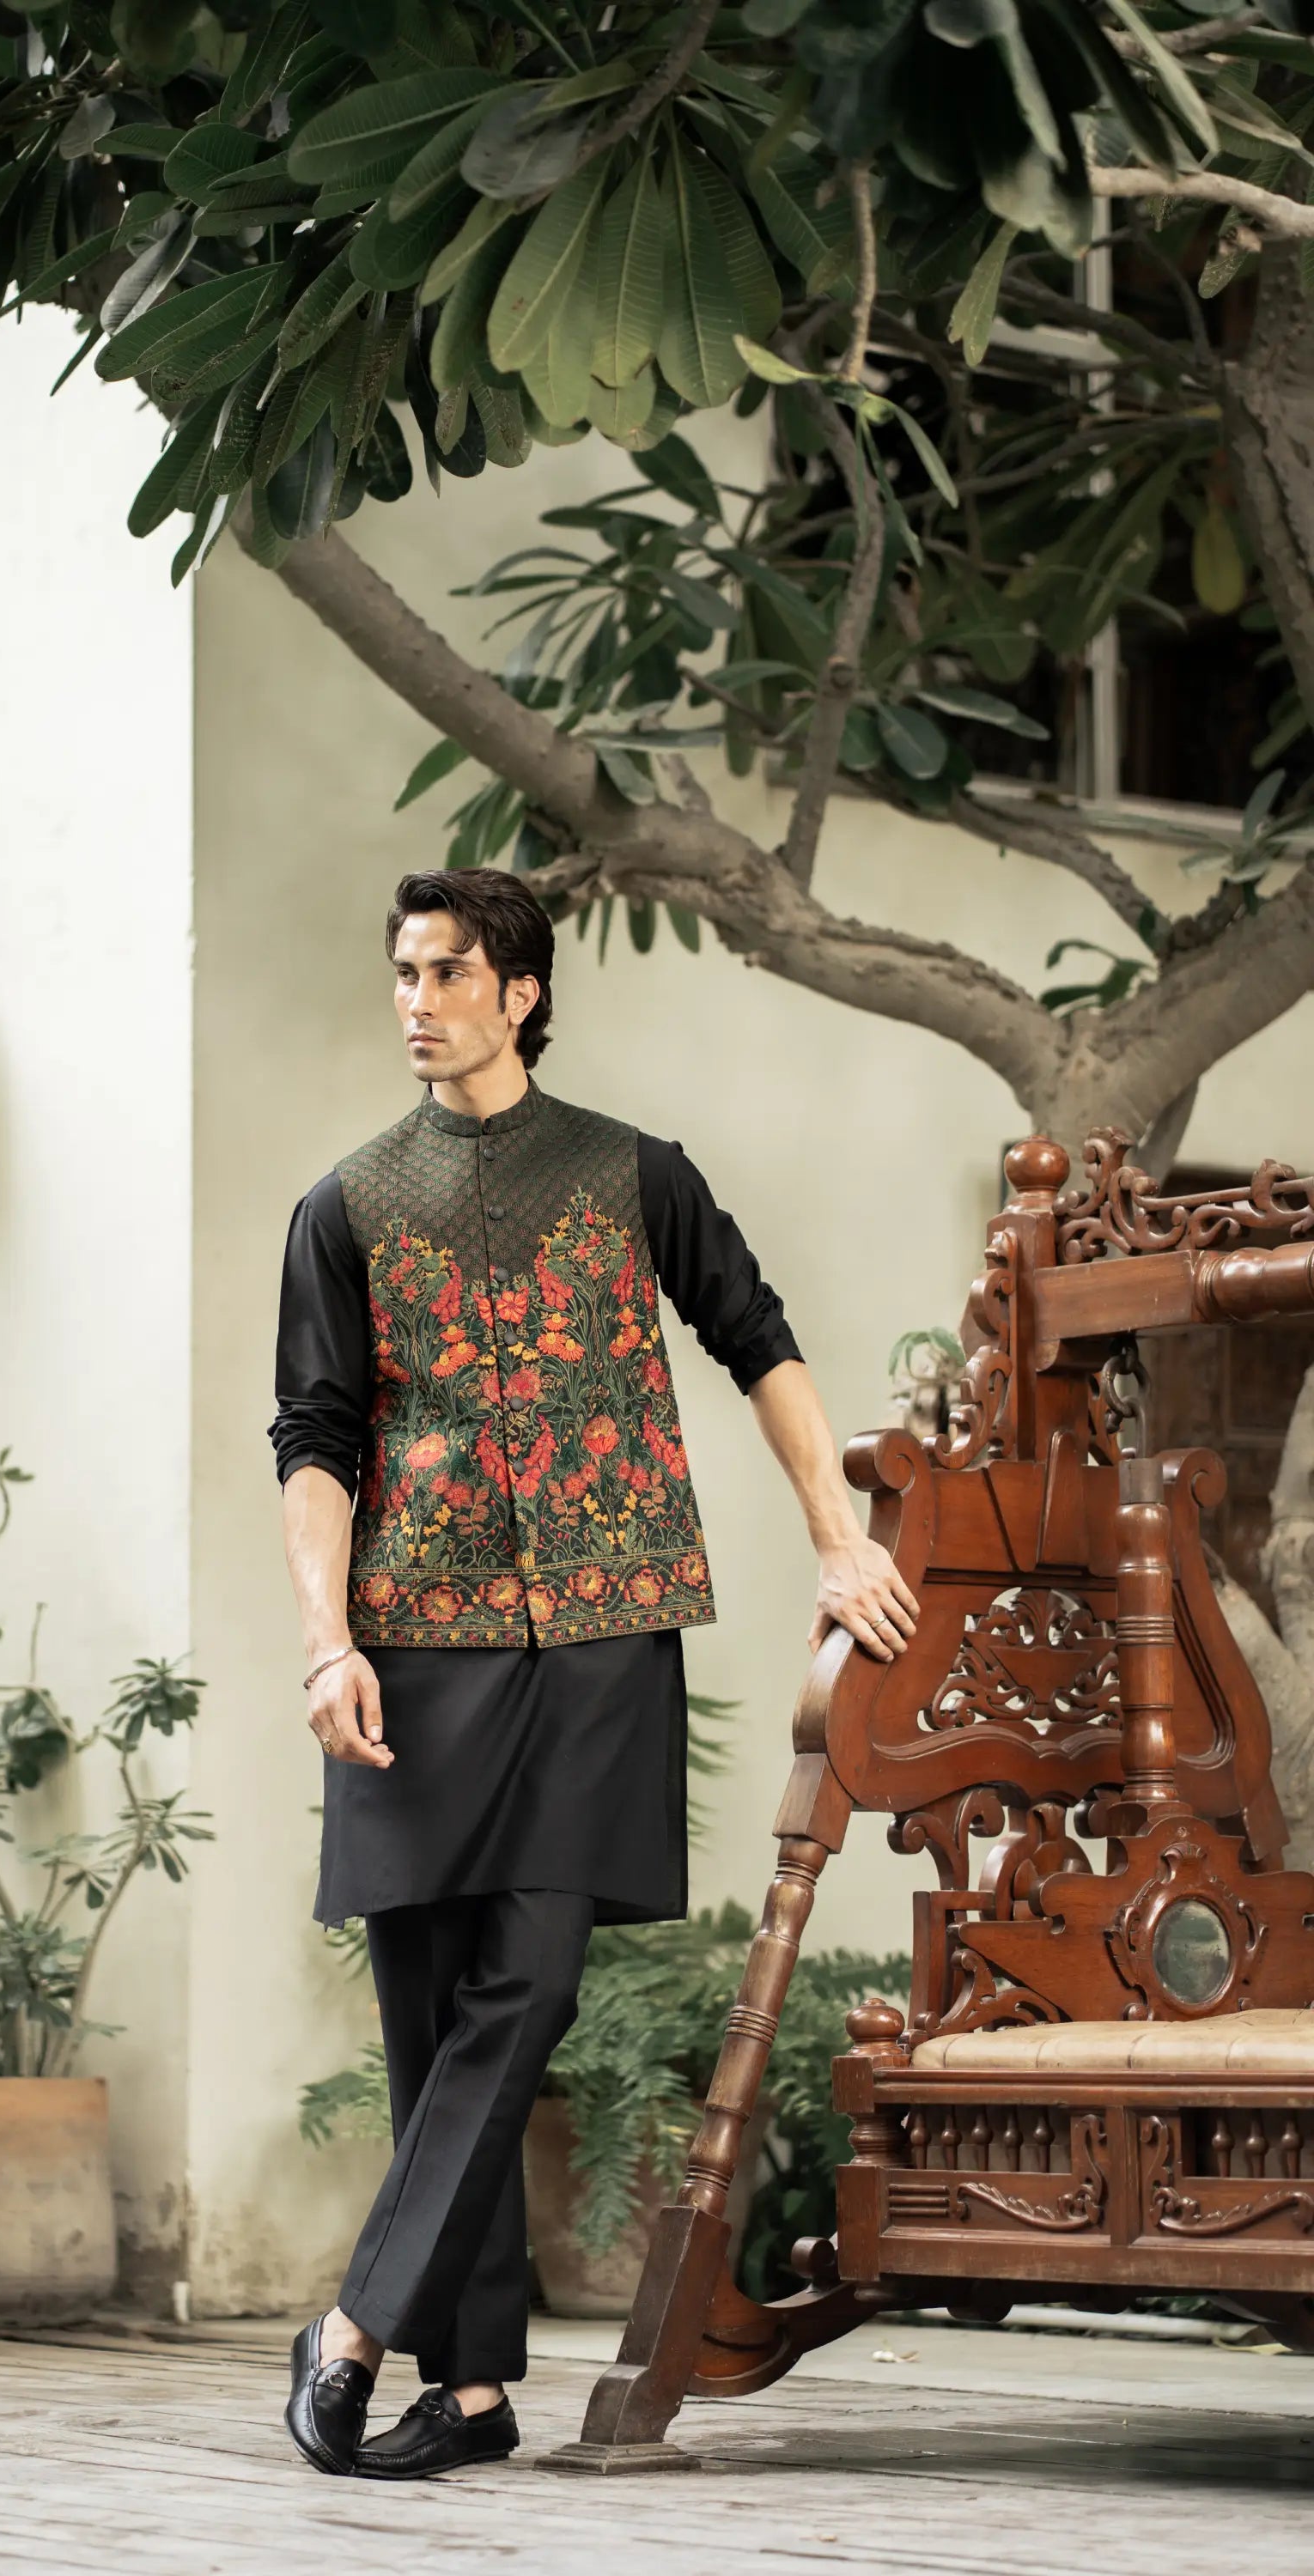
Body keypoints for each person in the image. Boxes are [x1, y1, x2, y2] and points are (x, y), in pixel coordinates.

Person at [271, 867, 917, 2481]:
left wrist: (838, 1538)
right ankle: (473, 2391)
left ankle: (352, 2327)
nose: (416, 999)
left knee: (532, 1985)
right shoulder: (343, 1208)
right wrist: (326, 1639)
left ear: (522, 992)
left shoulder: (638, 1177)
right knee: (430, 2016)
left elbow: (757, 1340)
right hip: (412, 1646)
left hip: (602, 1628)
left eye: (446, 972)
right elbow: (316, 1442)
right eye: (401, 972)